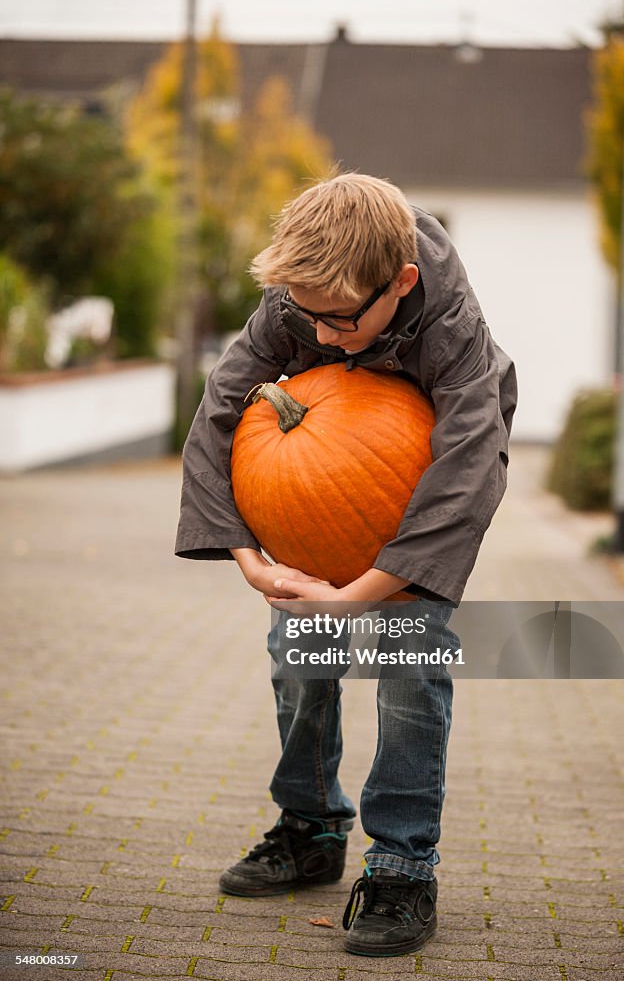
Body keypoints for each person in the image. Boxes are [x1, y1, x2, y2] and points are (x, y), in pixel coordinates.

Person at [175, 172, 517, 956]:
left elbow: (466, 474)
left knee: (406, 677)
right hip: (311, 501)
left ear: (400, 284)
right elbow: (216, 417)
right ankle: (309, 828)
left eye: (338, 320)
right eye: (305, 317)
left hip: (416, 504)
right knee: (299, 665)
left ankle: (401, 866)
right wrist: (252, 563)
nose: (320, 336)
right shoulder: (299, 302)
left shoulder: (453, 331)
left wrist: (364, 593)